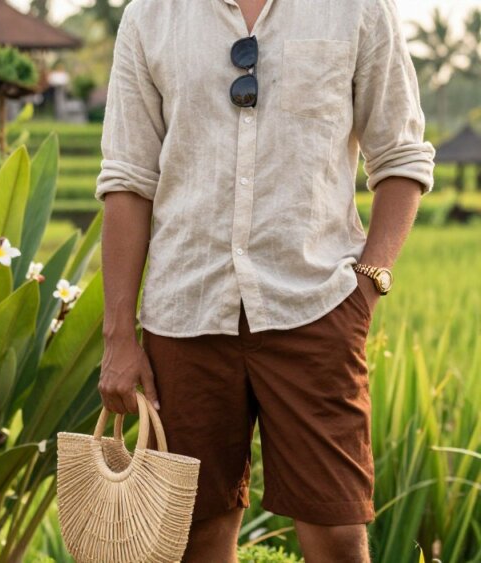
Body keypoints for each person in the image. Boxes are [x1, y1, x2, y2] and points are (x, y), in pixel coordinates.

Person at [96, 0, 434, 561]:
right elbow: (128, 180)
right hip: (185, 312)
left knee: (337, 531)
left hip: (316, 308)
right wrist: (118, 338)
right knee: (195, 534)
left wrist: (368, 285)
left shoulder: (358, 9)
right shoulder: (149, 16)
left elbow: (400, 155)